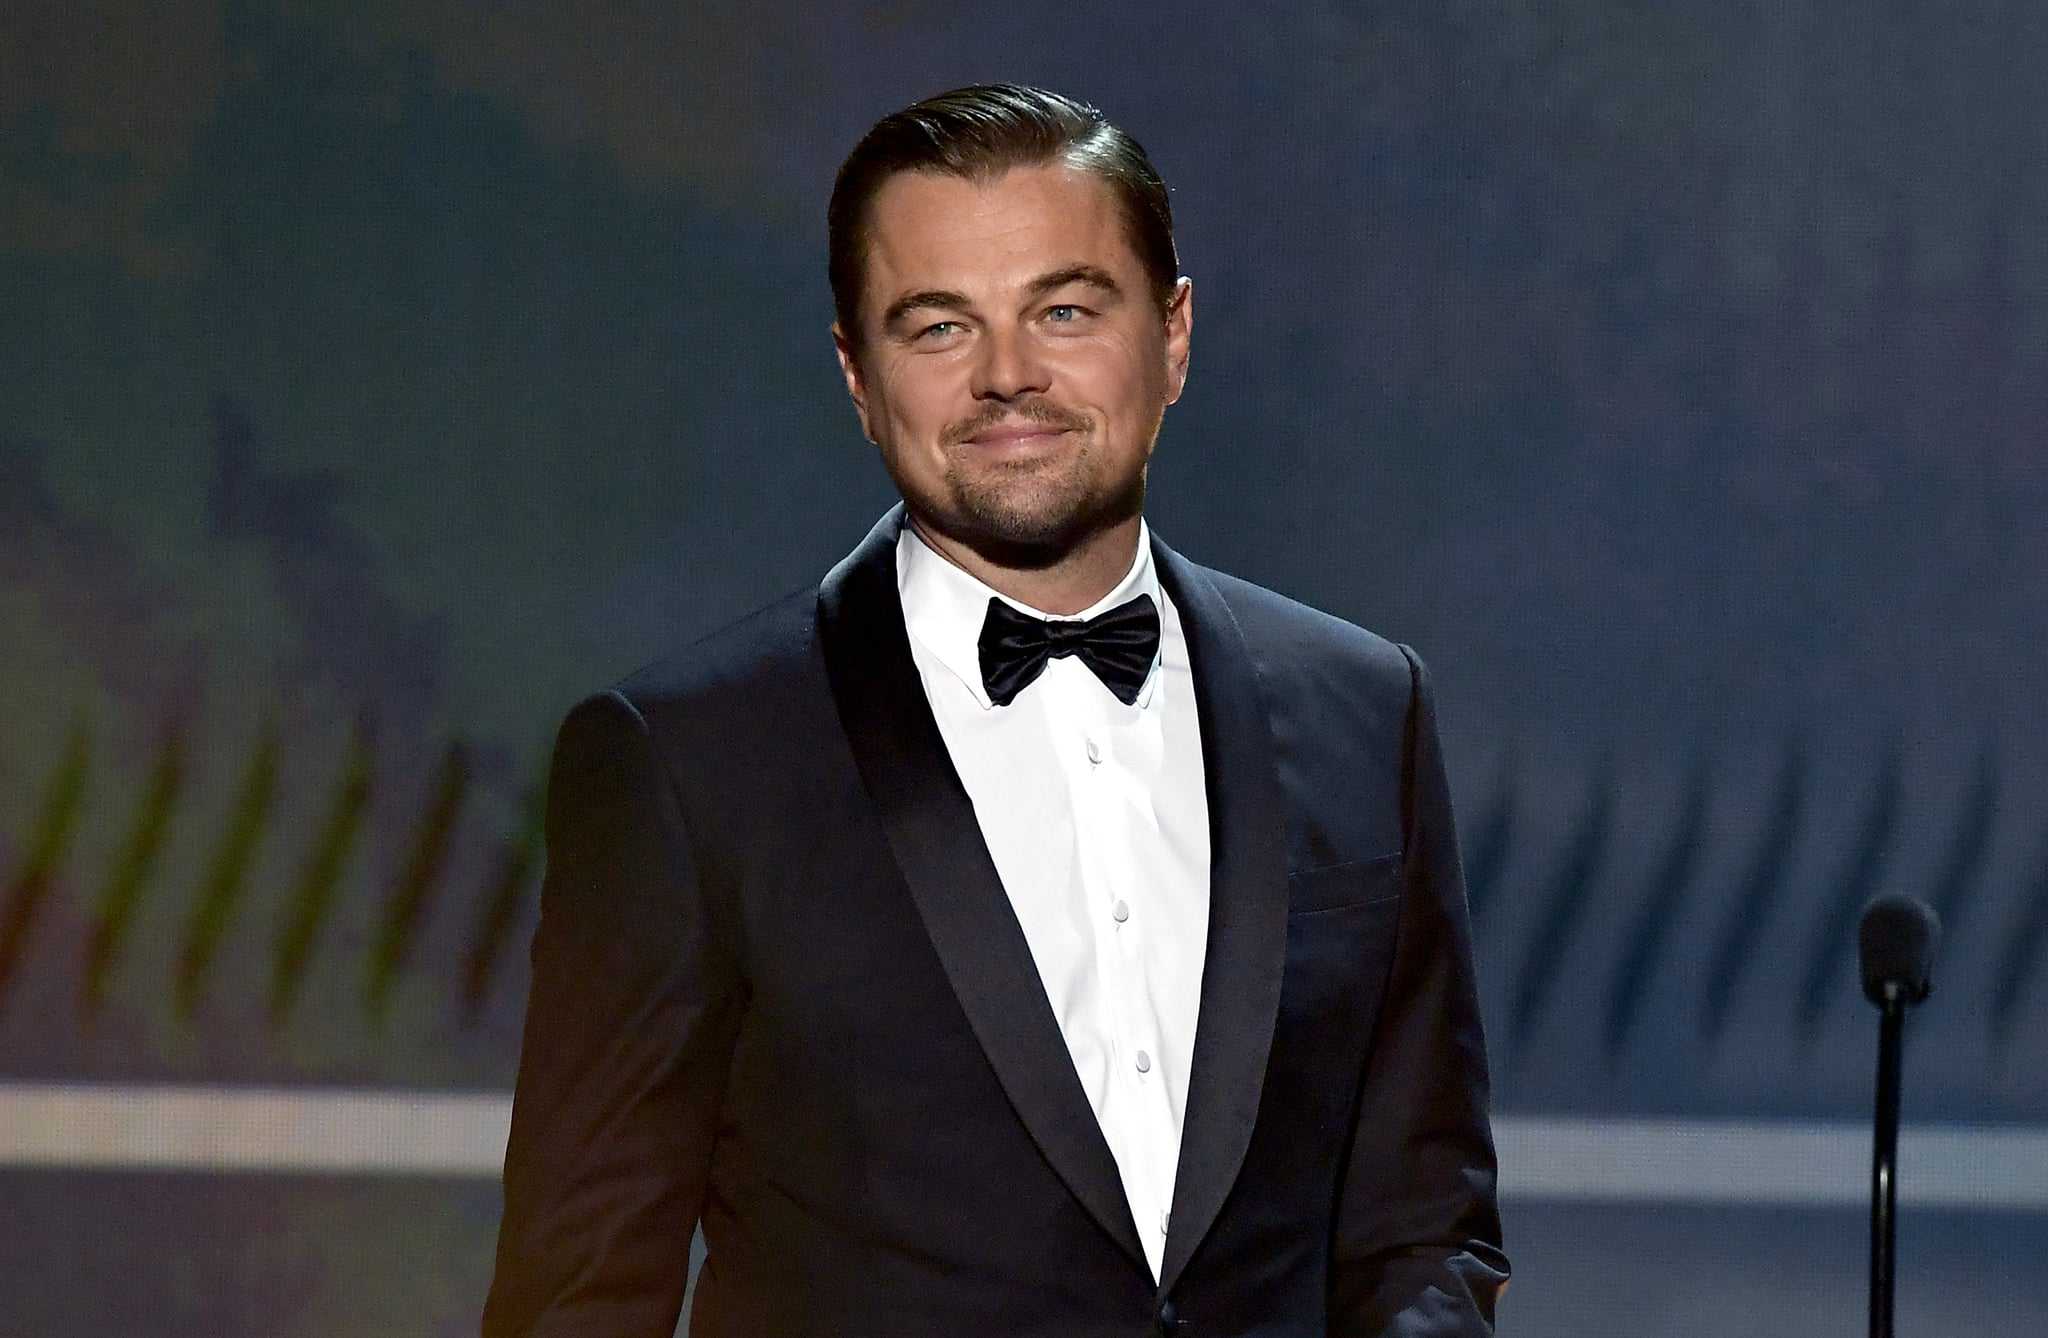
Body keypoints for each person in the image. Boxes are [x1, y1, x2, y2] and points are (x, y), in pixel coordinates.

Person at [482, 83, 1508, 1337]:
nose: (1007, 376)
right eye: (937, 327)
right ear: (858, 377)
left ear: (1173, 336)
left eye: (1063, 311)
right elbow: (579, 1295)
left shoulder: (1363, 710)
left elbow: (1423, 1233)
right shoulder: (685, 762)